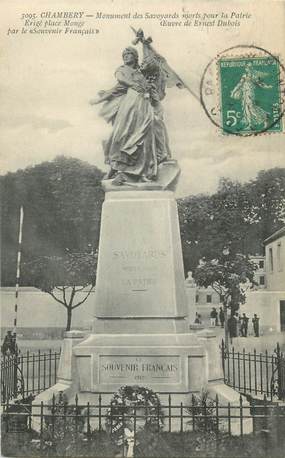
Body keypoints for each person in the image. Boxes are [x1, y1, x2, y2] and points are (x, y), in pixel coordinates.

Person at [91, 46, 171, 184]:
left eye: (129, 54)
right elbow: (118, 84)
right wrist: (99, 100)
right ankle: (117, 168)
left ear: (135, 57)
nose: (126, 56)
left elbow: (153, 93)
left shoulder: (141, 75)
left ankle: (141, 171)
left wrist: (155, 101)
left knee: (144, 138)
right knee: (120, 137)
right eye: (124, 54)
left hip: (143, 108)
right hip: (128, 107)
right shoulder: (122, 70)